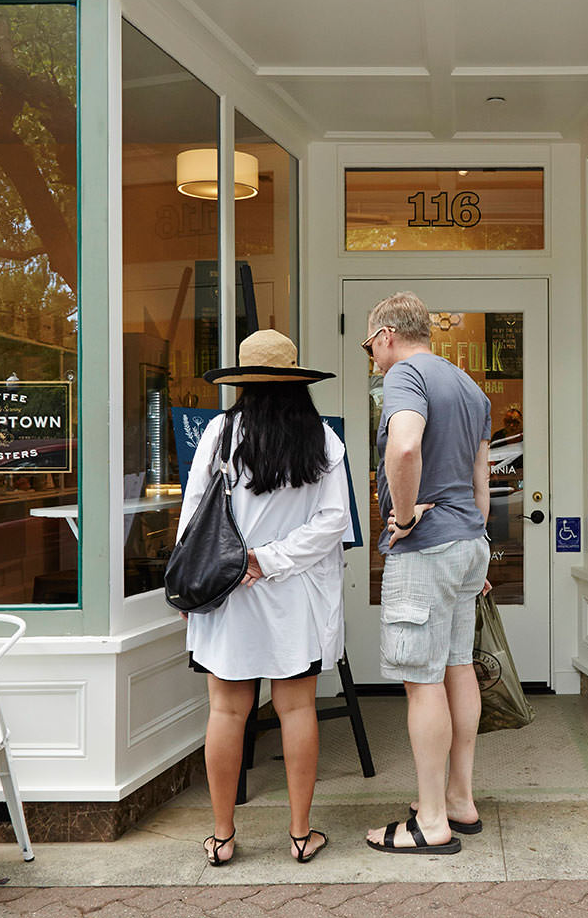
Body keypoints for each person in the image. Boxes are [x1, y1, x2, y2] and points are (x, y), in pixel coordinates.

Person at [175, 329, 350, 867]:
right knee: (297, 710)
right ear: (298, 382)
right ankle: (300, 835)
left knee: (226, 713)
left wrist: (193, 579)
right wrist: (269, 561)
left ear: (243, 385)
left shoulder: (220, 434)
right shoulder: (321, 439)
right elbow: (333, 521)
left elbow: (193, 517)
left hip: (227, 595)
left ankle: (223, 837)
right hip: (294, 596)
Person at [360, 291, 493, 855]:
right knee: (458, 667)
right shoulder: (470, 387)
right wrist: (478, 536)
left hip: (428, 548)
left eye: (370, 345)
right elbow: (481, 475)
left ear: (388, 334)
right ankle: (460, 800)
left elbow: (405, 447)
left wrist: (407, 514)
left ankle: (431, 821)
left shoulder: (404, 376)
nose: (371, 356)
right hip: (469, 542)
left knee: (422, 682)